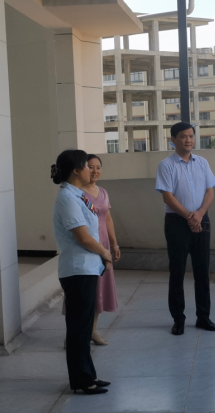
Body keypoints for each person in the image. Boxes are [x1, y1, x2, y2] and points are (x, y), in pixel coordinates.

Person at [51, 150, 112, 395]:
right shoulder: (67, 198)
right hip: (77, 270)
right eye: (87, 166)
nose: (91, 170)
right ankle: (81, 381)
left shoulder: (77, 195)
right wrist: (105, 252)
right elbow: (83, 237)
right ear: (76, 171)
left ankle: (88, 375)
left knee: (84, 327)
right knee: (78, 327)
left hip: (87, 268)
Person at [156, 122, 215, 336]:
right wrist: (189, 217)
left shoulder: (202, 162)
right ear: (173, 140)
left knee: (202, 271)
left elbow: (210, 191)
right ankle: (178, 319)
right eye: (183, 136)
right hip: (176, 222)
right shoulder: (166, 165)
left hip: (202, 219)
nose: (188, 140)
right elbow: (167, 196)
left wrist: (200, 214)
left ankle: (203, 317)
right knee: (177, 271)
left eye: (191, 136)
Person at [83, 154, 120, 345]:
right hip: (86, 245)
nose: (95, 171)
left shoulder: (103, 192)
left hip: (103, 245)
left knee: (99, 288)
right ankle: (74, 333)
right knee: (83, 291)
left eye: (98, 167)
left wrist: (113, 244)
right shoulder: (77, 193)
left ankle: (93, 331)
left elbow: (108, 219)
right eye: (90, 167)